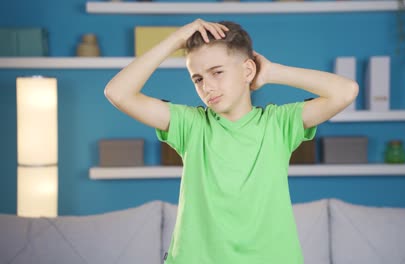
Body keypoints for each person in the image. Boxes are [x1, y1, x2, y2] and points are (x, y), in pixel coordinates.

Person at [104, 19, 358, 264]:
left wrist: (271, 72)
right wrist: (174, 41)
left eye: (217, 72)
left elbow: (346, 91)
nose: (207, 87)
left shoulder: (279, 123)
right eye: (198, 79)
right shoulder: (190, 125)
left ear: (247, 70)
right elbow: (117, 93)